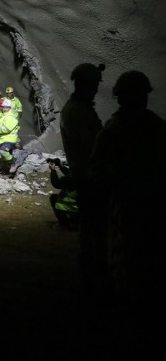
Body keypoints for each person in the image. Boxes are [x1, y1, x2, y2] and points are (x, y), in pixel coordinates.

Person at [90, 71, 166, 308]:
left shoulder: (113, 132)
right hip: (153, 201)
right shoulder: (158, 127)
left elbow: (98, 170)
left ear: (120, 98)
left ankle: (129, 300)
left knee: (126, 252)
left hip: (126, 202)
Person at [60, 62, 105, 293]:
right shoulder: (77, 111)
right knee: (93, 229)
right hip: (89, 178)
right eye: (94, 84)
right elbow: (93, 145)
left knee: (93, 228)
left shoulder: (80, 108)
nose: (96, 89)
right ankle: (92, 281)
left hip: (87, 175)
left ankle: (92, 275)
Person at [47, 158, 79, 230]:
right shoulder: (84, 172)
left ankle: (63, 224)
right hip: (83, 208)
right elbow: (70, 173)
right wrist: (61, 166)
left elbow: (57, 184)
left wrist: (53, 170)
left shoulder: (69, 179)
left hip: (72, 207)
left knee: (54, 198)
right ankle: (75, 223)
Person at [0, 98, 20, 174]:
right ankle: (6, 169)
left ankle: (13, 164)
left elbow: (6, 129)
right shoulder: (3, 115)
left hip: (10, 139)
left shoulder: (10, 117)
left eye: (6, 107)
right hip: (3, 139)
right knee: (5, 155)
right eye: (3, 107)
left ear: (9, 108)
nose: (4, 109)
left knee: (3, 151)